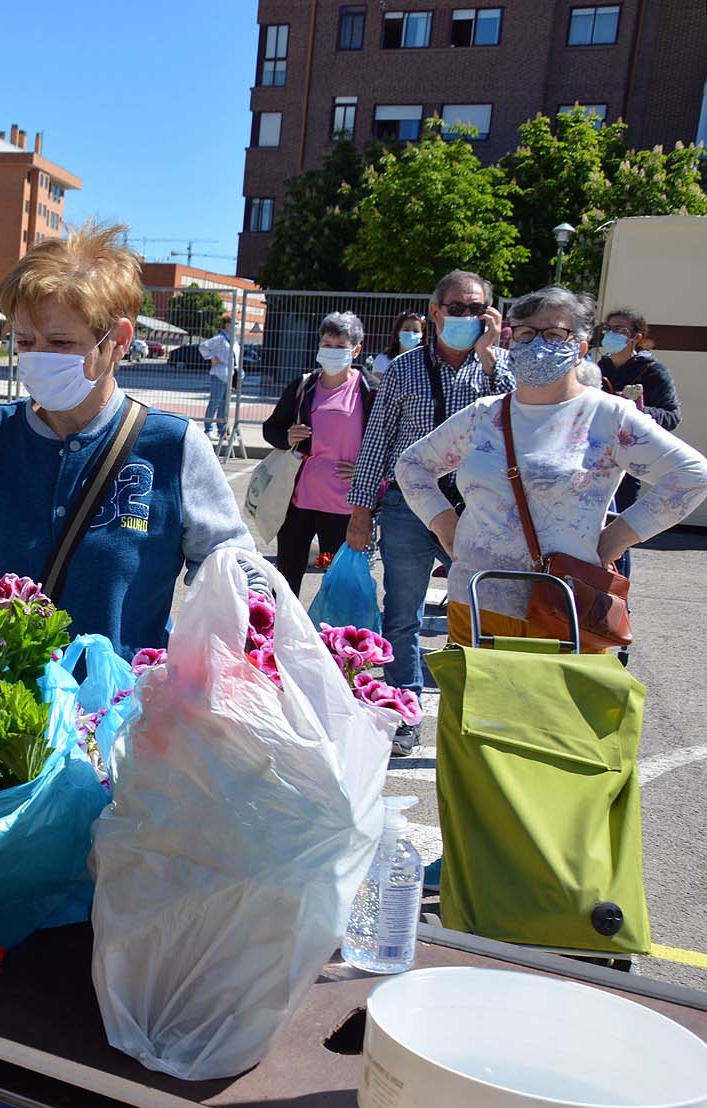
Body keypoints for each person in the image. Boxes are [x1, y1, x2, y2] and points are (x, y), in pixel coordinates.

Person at [0, 223, 256, 1108]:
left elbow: (234, 573)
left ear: (118, 341)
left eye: (61, 344)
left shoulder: (168, 451)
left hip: (118, 769)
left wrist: (230, 670)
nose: (36, 361)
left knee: (89, 992)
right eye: (25, 342)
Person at [396, 286, 706, 645]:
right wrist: (446, 526)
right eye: (527, 333)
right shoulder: (484, 415)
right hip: (477, 601)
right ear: (512, 342)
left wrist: (614, 541)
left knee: (556, 701)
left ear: (581, 349)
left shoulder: (607, 416)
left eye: (555, 334)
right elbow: (412, 466)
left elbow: (691, 474)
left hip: (565, 608)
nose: (537, 344)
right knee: (478, 702)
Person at [346, 269, 513, 755]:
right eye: (456, 307)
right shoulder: (404, 367)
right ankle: (405, 710)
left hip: (479, 508)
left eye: (476, 308)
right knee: (402, 613)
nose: (466, 316)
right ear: (435, 311)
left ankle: (481, 715)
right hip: (408, 505)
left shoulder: (501, 368)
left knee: (485, 611)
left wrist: (488, 356)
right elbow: (378, 438)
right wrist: (361, 510)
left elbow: (513, 417)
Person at [261, 312, 377, 596]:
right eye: (327, 344)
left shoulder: (369, 390)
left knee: (336, 579)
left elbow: (384, 443)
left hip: (344, 507)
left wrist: (365, 470)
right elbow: (271, 430)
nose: (332, 351)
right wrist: (286, 437)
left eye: (340, 346)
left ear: (356, 349)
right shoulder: (303, 386)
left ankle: (333, 638)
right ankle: (278, 634)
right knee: (287, 576)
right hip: (299, 502)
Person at [597, 307, 683, 561]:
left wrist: (640, 410)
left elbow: (672, 416)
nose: (612, 334)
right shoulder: (598, 369)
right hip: (595, 458)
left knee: (617, 534)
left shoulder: (653, 371)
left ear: (636, 336)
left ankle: (617, 595)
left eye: (620, 329)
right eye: (608, 329)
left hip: (629, 461)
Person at [198, 314, 239, 441]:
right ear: (227, 325)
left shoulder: (233, 340)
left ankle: (222, 429)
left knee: (224, 404)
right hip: (219, 374)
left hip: (230, 375)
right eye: (235, 323)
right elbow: (203, 346)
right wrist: (212, 357)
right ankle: (208, 429)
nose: (237, 326)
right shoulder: (220, 339)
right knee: (215, 402)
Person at [368, 310, 426, 380]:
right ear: (397, 333)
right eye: (406, 330)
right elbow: (378, 387)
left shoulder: (426, 363)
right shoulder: (382, 359)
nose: (411, 334)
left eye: (415, 331)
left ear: (422, 336)